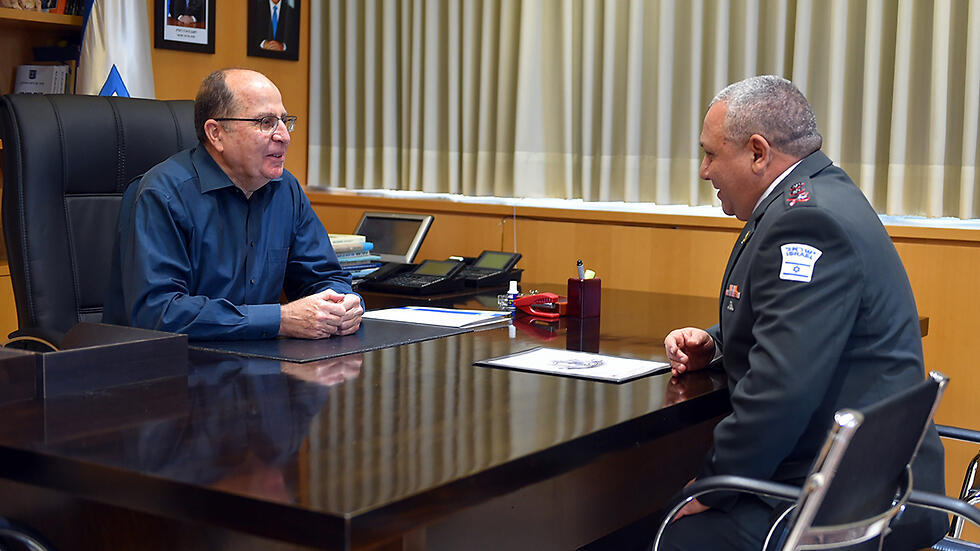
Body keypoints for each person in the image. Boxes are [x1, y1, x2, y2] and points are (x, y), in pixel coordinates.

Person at [660, 75, 948, 550]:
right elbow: (800, 323)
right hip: (862, 472)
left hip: (848, 497)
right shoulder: (817, 192)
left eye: (711, 153)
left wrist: (715, 486)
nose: (704, 170)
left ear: (757, 152)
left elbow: (781, 389)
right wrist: (716, 341)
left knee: (670, 530)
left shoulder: (806, 220)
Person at [104, 68, 363, 341]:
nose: (284, 136)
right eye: (265, 122)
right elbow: (159, 313)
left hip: (257, 365)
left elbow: (322, 276)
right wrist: (280, 320)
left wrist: (343, 304)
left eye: (285, 121)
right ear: (216, 133)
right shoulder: (163, 194)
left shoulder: (285, 189)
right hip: (166, 369)